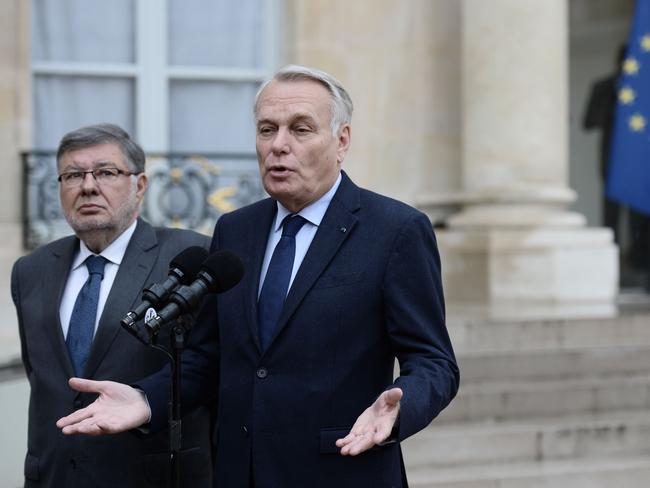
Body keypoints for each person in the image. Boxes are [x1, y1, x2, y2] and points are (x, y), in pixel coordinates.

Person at [56, 66, 460, 487]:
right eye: (267, 130)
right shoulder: (236, 230)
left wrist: (401, 407)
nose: (278, 145)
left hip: (341, 471)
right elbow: (208, 356)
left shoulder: (395, 230)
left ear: (341, 141)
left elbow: (434, 361)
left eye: (300, 129)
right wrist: (146, 399)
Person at [11, 124, 213, 488]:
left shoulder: (188, 258)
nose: (88, 186)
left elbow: (210, 369)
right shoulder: (30, 270)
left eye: (105, 172)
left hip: (152, 476)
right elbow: (42, 379)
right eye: (73, 175)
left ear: (140, 186)